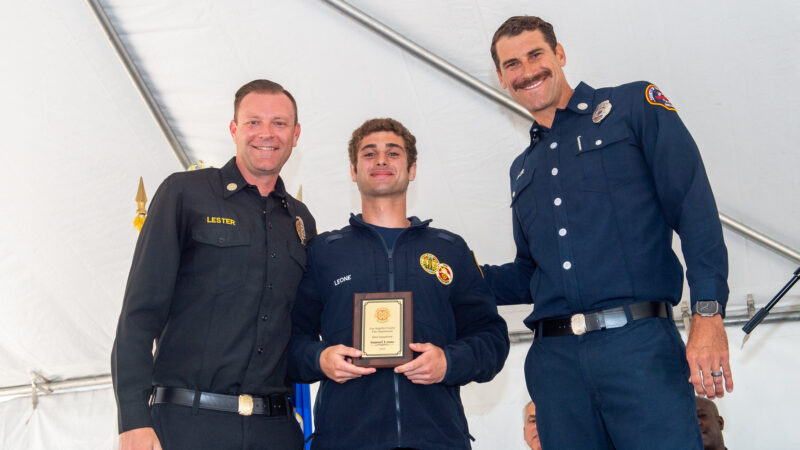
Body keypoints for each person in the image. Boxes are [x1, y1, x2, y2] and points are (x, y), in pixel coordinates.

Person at [481, 16, 734, 448]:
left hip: (639, 349)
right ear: (503, 79)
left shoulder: (632, 107)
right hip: (555, 364)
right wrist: (460, 273)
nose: (527, 71)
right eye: (512, 65)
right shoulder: (522, 169)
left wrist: (708, 312)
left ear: (559, 55)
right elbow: (531, 273)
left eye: (536, 54)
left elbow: (693, 205)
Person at [111, 79, 316, 450]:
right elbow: (139, 316)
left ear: (296, 134)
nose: (266, 133)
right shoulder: (185, 194)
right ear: (234, 129)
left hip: (276, 429)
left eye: (279, 123)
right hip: (185, 426)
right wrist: (133, 420)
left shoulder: (301, 222)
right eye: (253, 122)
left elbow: (299, 332)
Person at [288, 118, 509, 449]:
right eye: (369, 153)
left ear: (412, 169)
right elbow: (289, 341)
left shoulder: (449, 249)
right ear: (353, 169)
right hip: (346, 440)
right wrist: (319, 359)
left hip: (438, 439)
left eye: (393, 153)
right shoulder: (323, 253)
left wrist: (448, 362)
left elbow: (492, 339)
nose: (381, 160)